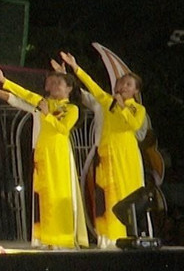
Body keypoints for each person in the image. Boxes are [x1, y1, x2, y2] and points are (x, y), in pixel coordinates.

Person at [0, 66, 88, 249]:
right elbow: (24, 94)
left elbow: (63, 129)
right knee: (45, 195)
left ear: (69, 88)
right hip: (43, 152)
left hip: (59, 153)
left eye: (59, 83)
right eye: (53, 83)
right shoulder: (44, 102)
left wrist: (47, 114)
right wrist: (3, 81)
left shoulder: (72, 108)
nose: (54, 86)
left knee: (60, 193)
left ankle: (63, 238)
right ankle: (47, 238)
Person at [56, 52, 146, 248]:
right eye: (122, 82)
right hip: (106, 154)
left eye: (129, 84)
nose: (123, 86)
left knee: (125, 196)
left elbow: (133, 126)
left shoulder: (137, 109)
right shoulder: (106, 101)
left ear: (135, 91)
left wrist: (122, 106)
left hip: (126, 156)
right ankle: (107, 237)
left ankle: (125, 237)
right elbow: (91, 86)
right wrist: (75, 67)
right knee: (106, 195)